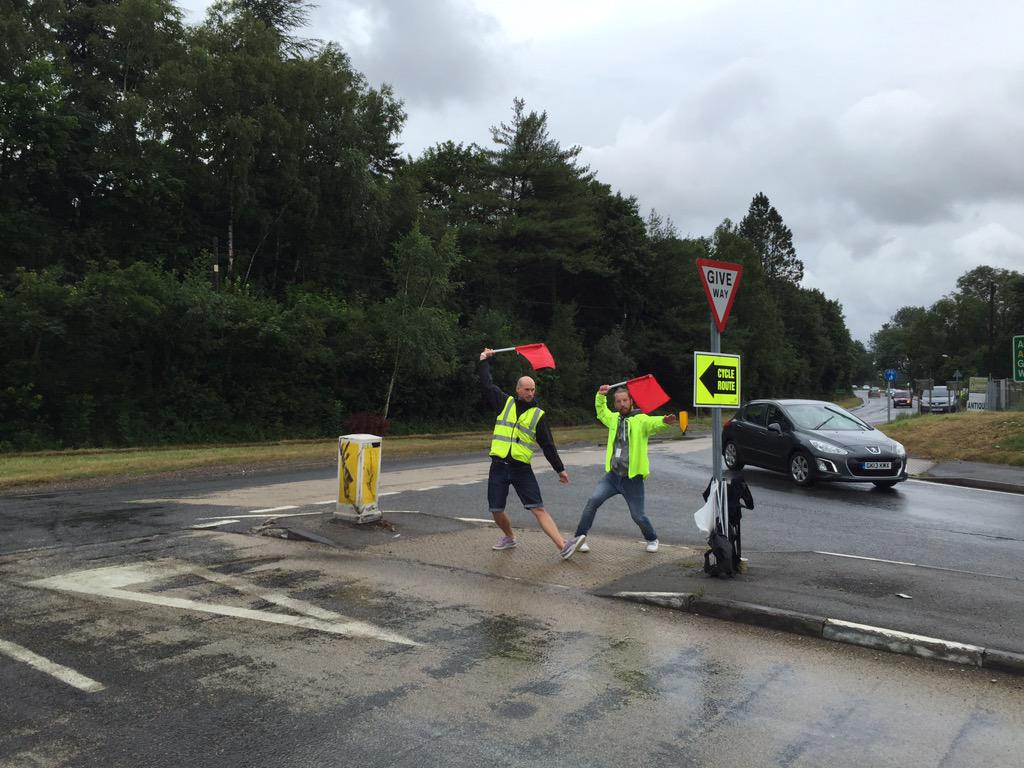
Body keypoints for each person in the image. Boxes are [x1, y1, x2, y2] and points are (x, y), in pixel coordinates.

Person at [478, 348, 585, 560]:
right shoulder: (504, 403)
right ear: (517, 390)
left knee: (538, 509)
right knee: (496, 509)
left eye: (532, 390)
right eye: (526, 389)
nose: (530, 393)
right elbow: (487, 384)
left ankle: (563, 545)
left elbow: (548, 445)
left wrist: (560, 469)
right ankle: (509, 537)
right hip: (499, 466)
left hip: (521, 469)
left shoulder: (538, 415)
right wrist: (483, 361)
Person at [573, 384, 677, 553]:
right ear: (615, 404)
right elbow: (601, 412)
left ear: (631, 401)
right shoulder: (613, 419)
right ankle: (579, 537)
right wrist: (600, 395)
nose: (622, 404)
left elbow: (653, 422)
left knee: (638, 515)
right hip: (612, 476)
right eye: (619, 401)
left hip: (632, 478)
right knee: (593, 501)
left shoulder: (640, 420)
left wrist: (664, 421)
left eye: (625, 400)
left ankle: (652, 538)